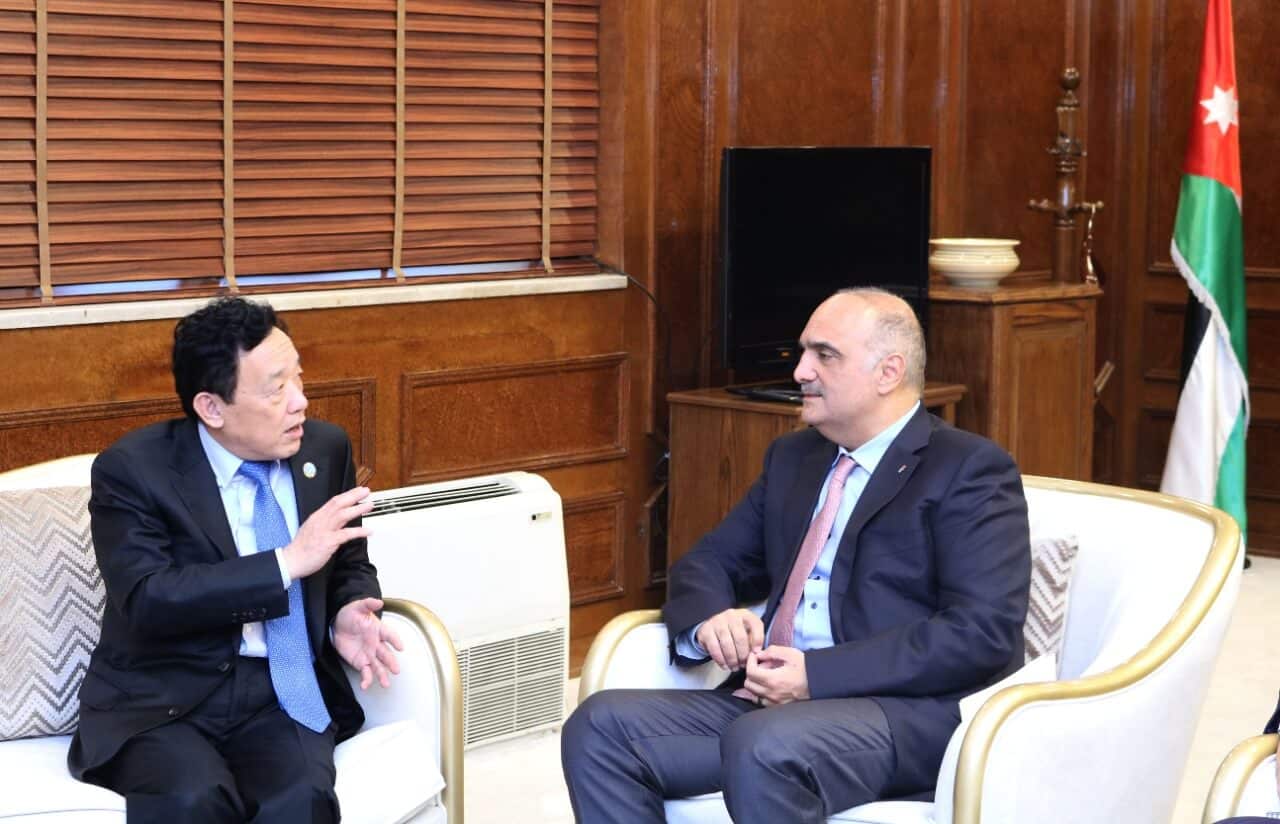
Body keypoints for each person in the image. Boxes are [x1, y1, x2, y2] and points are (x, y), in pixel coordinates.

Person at [561, 287, 1031, 823]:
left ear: (888, 372)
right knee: (599, 728)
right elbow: (710, 560)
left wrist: (817, 675)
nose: (801, 371)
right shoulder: (794, 458)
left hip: (900, 716)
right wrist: (712, 619)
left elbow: (982, 632)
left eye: (824, 355)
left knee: (765, 745)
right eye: (804, 352)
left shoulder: (968, 468)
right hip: (766, 707)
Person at [68, 296, 403, 822]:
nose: (300, 402)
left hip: (280, 688)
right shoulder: (133, 470)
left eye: (298, 378)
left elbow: (347, 560)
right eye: (276, 389)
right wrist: (286, 562)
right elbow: (149, 597)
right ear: (212, 408)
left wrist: (348, 608)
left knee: (303, 799)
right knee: (194, 799)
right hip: (163, 700)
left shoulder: (324, 449)